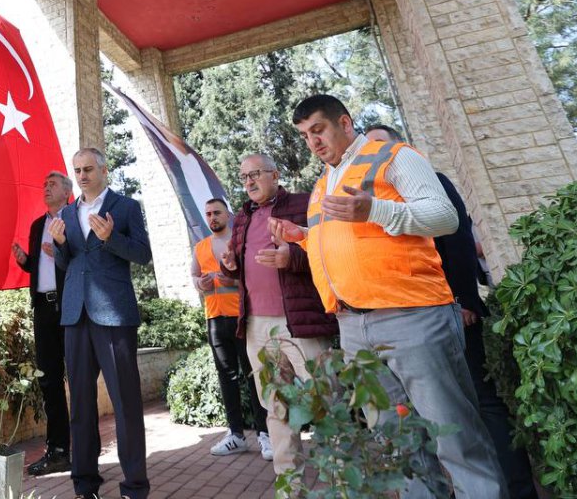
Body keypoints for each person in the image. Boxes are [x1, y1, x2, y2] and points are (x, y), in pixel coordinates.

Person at [277, 94, 506, 499]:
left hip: (413, 317)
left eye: (318, 130)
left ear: (345, 123)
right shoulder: (322, 184)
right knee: (399, 446)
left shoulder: (395, 156)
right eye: (304, 136)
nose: (312, 142)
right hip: (353, 328)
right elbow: (347, 246)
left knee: (454, 438)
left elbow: (444, 216)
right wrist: (304, 238)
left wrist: (375, 210)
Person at [364, 125, 537, 499]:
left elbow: (457, 241)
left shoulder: (431, 181)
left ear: (401, 148)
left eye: (382, 146)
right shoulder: (378, 199)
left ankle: (519, 491)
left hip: (450, 312)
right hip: (411, 322)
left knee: (482, 405)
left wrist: (464, 301)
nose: (376, 156)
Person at [217, 154, 337, 473]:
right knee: (275, 408)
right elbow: (239, 267)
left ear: (275, 174)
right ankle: (289, 486)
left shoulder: (303, 203)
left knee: (325, 400)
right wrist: (228, 265)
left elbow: (329, 251)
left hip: (300, 322)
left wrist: (292, 259)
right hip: (257, 327)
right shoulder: (241, 217)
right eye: (243, 177)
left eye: (255, 174)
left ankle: (344, 478)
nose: (249, 182)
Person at [51, 148, 152, 499]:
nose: (81, 175)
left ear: (104, 170)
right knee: (79, 404)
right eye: (77, 170)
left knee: (125, 403)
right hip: (74, 315)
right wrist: (61, 245)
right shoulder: (65, 212)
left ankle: (135, 486)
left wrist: (112, 239)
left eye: (88, 169)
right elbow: (68, 264)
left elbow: (142, 254)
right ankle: (85, 484)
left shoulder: (126, 207)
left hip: (114, 315)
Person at [191, 197, 271, 457]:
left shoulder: (239, 244)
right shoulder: (200, 247)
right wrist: (199, 283)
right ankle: (235, 434)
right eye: (208, 213)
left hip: (242, 317)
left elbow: (254, 277)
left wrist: (227, 279)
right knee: (227, 378)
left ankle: (265, 434)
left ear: (228, 215)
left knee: (253, 376)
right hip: (214, 319)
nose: (212, 217)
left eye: (217, 212)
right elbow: (194, 275)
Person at [12, 170, 73, 476]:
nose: (46, 188)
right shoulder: (38, 226)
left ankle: (84, 449)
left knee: (79, 378)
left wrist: (62, 249)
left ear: (67, 192)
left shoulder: (76, 219)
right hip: (43, 310)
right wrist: (26, 261)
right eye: (44, 184)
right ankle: (58, 450)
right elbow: (40, 267)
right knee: (48, 381)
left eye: (52, 185)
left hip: (71, 308)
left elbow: (83, 260)